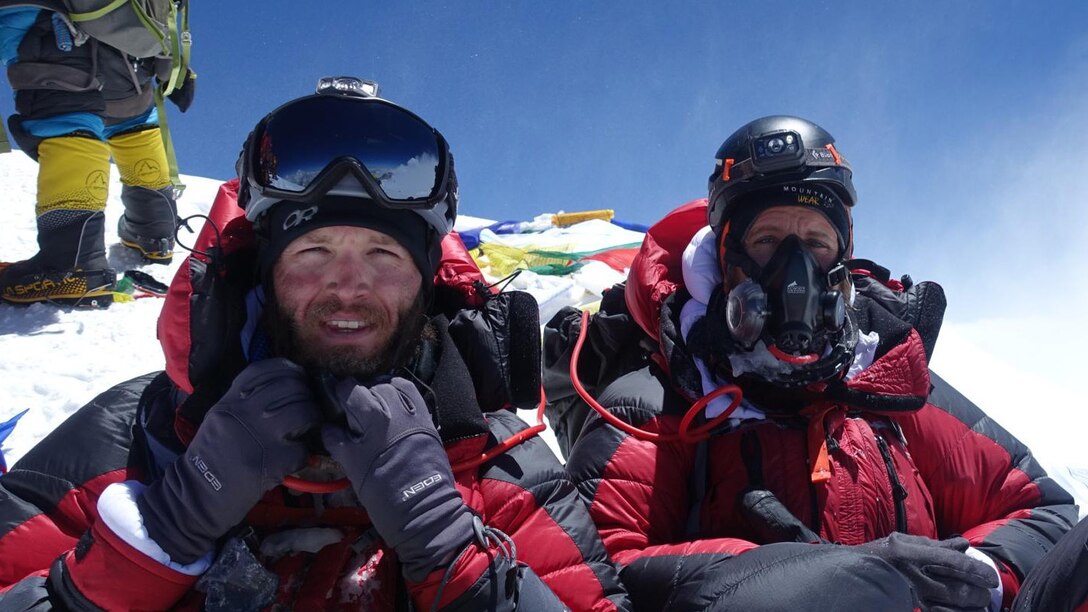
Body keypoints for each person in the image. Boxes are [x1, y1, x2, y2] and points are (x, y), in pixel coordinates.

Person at [0, 78, 630, 611]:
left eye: (384, 253)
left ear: (426, 280)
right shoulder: (138, 436)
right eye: (313, 251)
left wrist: (452, 551)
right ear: (262, 272)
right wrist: (163, 529)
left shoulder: (500, 464)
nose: (348, 286)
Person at [544, 115, 1078, 610]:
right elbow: (594, 572)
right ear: (726, 264)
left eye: (816, 243)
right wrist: (816, 578)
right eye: (769, 239)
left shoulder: (889, 384)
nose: (794, 270)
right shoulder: (662, 398)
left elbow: (1041, 511)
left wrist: (977, 571)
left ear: (842, 263)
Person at [0, 2, 195, 308]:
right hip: (129, 33)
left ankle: (71, 263)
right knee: (133, 121)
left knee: (63, 113)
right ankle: (155, 232)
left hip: (47, 18)